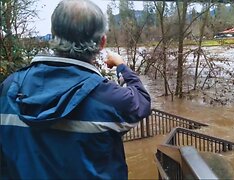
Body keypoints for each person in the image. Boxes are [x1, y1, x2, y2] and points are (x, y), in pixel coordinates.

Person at [0, 0, 151, 179]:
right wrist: (122, 67)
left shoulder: (8, 88)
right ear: (102, 42)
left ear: (53, 36)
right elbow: (142, 100)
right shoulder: (111, 100)